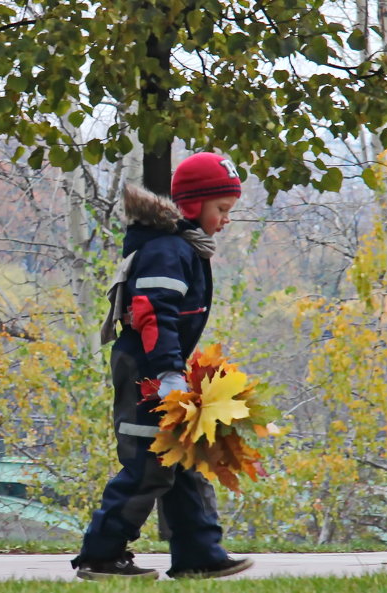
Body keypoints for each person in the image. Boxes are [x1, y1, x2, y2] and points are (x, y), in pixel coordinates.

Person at [72, 152, 255, 581]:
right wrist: (169, 374)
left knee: (186, 456)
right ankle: (102, 555)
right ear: (193, 206)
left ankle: (198, 554)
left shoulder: (183, 247)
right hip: (147, 369)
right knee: (150, 461)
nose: (226, 219)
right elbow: (154, 312)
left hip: (164, 364)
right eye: (221, 210)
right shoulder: (168, 250)